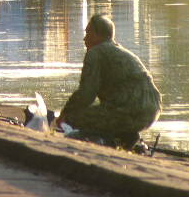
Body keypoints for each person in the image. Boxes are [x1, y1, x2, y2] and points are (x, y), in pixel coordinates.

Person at [57, 14, 161, 148]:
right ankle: (126, 137)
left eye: (87, 33)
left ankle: (107, 142)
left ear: (96, 34)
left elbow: (86, 95)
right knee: (103, 112)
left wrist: (65, 113)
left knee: (75, 117)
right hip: (152, 111)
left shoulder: (95, 53)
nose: (84, 38)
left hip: (132, 111)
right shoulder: (120, 51)